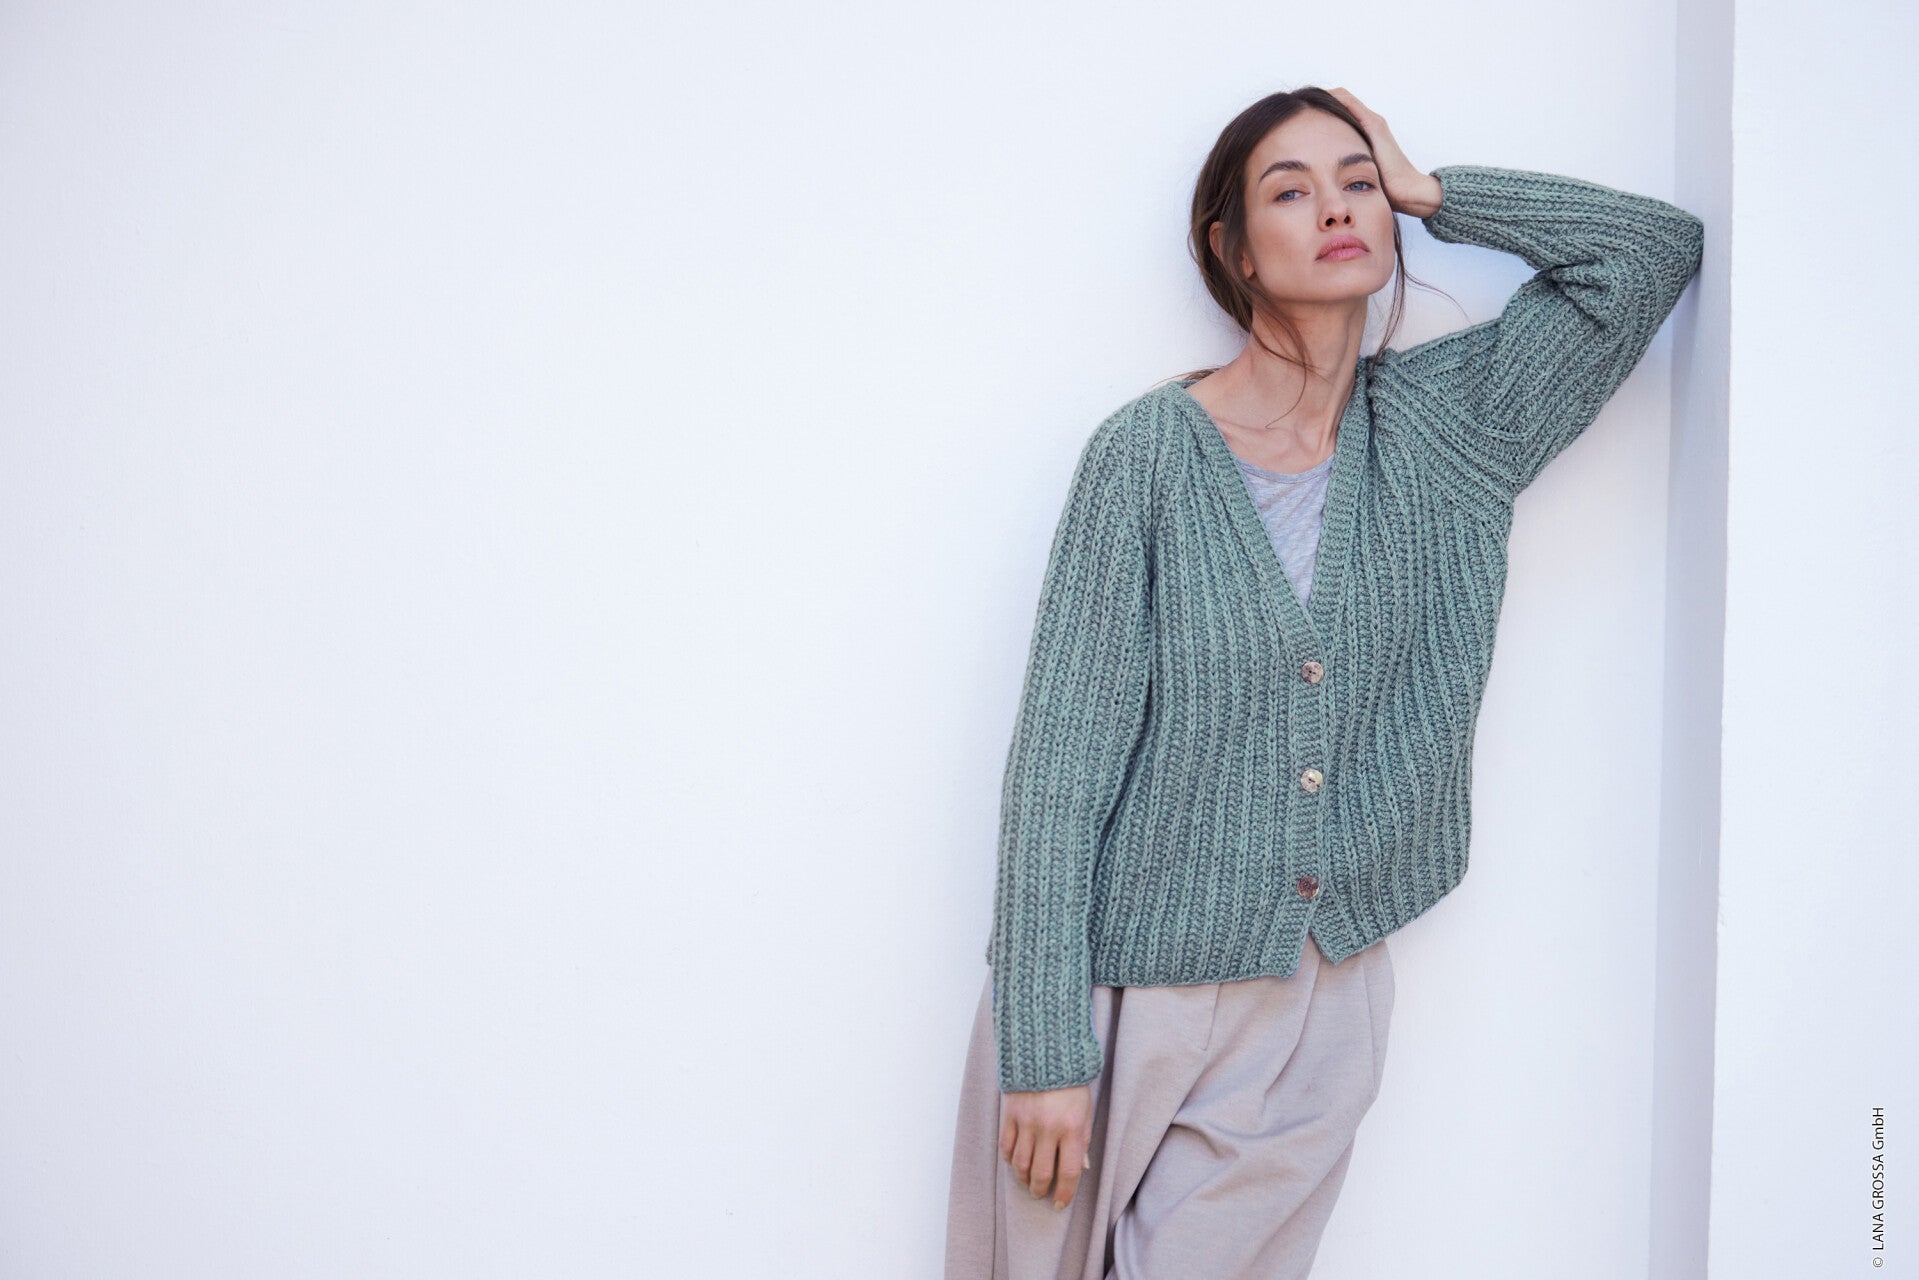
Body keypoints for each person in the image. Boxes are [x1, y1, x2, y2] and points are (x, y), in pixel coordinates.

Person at [943, 85, 1706, 1280]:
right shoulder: (1143, 458)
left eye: (1355, 182)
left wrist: (1431, 190)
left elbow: (1648, 253)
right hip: (1109, 983)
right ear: (1232, 249)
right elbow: (1059, 764)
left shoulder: (1455, 428)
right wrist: (1044, 1044)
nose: (1337, 207)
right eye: (1289, 191)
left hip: (1314, 997)